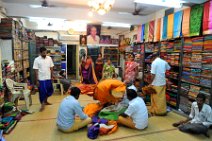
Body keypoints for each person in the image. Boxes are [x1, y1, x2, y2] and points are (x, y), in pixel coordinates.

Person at [33, 47, 54, 111]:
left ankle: (45, 101)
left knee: (49, 90)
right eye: (43, 53)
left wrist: (52, 76)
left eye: (46, 52)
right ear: (40, 53)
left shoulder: (49, 58)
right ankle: (42, 104)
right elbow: (36, 70)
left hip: (48, 77)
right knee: (42, 92)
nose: (45, 54)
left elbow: (51, 67)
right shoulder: (37, 60)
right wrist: (37, 80)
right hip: (41, 79)